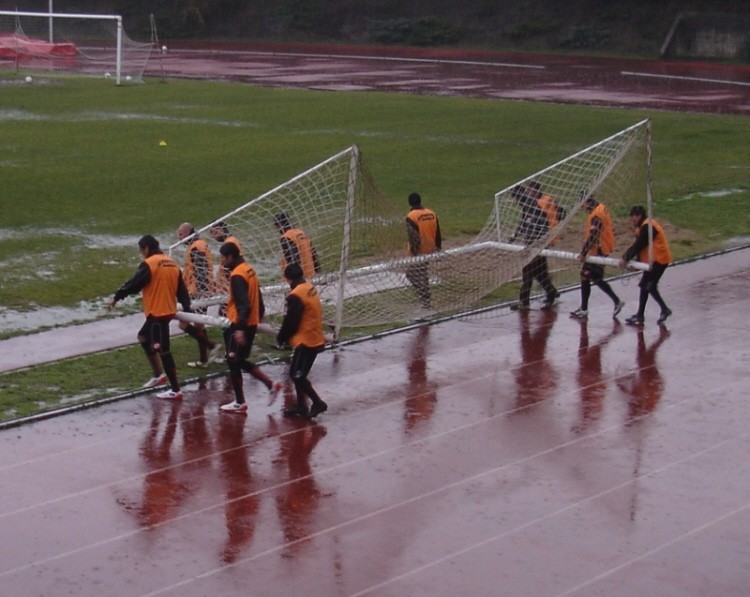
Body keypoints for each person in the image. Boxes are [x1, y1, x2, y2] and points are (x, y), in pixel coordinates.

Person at [107, 234, 189, 399]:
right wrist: (187, 311)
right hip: (165, 312)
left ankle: (175, 389)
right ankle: (159, 375)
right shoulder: (172, 264)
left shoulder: (150, 264)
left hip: (157, 314)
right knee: (143, 337)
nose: (141, 254)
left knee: (164, 351)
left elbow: (134, 284)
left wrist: (117, 297)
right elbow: (182, 291)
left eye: (141, 250)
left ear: (146, 248)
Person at [218, 242, 281, 413]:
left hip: (240, 324)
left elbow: (243, 304)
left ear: (230, 257)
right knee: (238, 360)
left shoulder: (237, 275)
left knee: (233, 361)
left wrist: (239, 328)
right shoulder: (249, 269)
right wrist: (257, 318)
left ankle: (240, 402)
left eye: (223, 258)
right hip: (250, 323)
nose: (222, 262)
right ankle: (270, 384)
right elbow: (258, 298)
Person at [276, 262, 328, 419]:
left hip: (307, 341)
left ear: (288, 279)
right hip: (313, 336)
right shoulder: (309, 287)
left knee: (298, 375)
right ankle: (301, 405)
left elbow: (291, 320)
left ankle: (318, 403)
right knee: (296, 373)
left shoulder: (295, 295)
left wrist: (282, 337)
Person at [570, 194, 625, 319]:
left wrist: (583, 252)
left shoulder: (596, 215)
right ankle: (614, 301)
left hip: (599, 250)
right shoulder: (601, 208)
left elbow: (594, 235)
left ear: (588, 202)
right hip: (600, 249)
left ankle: (586, 308)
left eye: (583, 204)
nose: (582, 207)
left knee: (587, 275)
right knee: (591, 277)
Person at [177, 222, 222, 368]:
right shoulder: (198, 245)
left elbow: (201, 271)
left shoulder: (197, 247)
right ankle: (204, 359)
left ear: (189, 232)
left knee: (184, 324)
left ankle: (211, 346)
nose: (179, 237)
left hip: (198, 293)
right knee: (199, 325)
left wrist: (201, 294)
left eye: (181, 234)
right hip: (198, 291)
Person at [619, 205, 673, 326]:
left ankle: (662, 310)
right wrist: (637, 265)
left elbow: (640, 244)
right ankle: (643, 314)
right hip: (653, 261)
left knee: (648, 286)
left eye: (633, 218)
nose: (632, 221)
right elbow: (641, 248)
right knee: (645, 286)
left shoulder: (648, 227)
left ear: (638, 216)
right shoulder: (643, 227)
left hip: (660, 260)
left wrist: (626, 257)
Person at [508, 185, 560, 310]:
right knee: (539, 274)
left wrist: (537, 243)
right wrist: (514, 235)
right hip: (533, 245)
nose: (514, 201)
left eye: (514, 197)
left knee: (528, 272)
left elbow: (541, 223)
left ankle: (525, 302)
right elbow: (524, 221)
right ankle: (550, 293)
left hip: (536, 247)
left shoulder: (531, 205)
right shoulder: (527, 205)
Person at [405, 192, 442, 309]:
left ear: (409, 203)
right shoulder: (432, 213)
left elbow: (413, 237)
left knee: (411, 274)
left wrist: (415, 254)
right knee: (423, 273)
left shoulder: (411, 216)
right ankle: (426, 298)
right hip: (431, 249)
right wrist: (438, 248)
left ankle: (425, 298)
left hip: (419, 251)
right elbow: (438, 233)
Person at [273, 212, 321, 279]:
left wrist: (295, 281)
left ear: (279, 225)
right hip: (311, 276)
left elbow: (294, 262)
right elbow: (314, 256)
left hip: (299, 280)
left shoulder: (286, 237)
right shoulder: (301, 233)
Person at [209, 220, 242, 317]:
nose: (212, 236)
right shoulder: (231, 241)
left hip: (228, 289)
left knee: (225, 317)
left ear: (220, 229)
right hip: (228, 288)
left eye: (213, 232)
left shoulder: (230, 243)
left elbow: (229, 267)